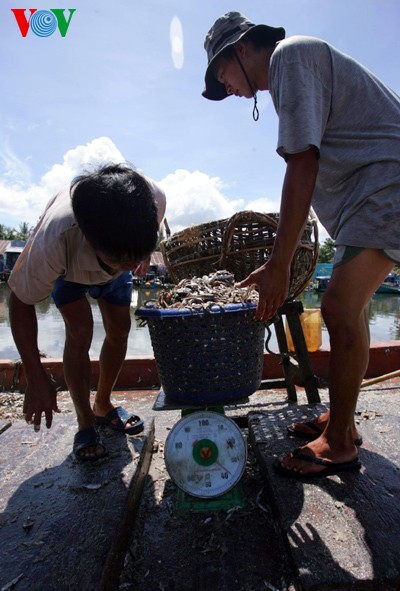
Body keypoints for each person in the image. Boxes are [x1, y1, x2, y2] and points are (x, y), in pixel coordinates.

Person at [202, 11, 400, 478]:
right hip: (371, 199)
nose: (225, 85)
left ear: (243, 49)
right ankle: (344, 422)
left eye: (221, 73)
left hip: (388, 190)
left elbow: (302, 166)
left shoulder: (290, 59)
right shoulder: (293, 74)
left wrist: (278, 265)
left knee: (336, 307)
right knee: (348, 311)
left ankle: (337, 444)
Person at [8, 163, 166, 462]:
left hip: (116, 262)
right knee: (80, 332)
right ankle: (85, 422)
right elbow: (21, 301)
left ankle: (102, 405)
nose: (129, 265)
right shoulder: (56, 239)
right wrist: (35, 373)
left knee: (120, 329)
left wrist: (139, 254)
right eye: (120, 259)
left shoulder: (154, 198)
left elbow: (141, 238)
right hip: (69, 270)